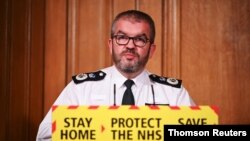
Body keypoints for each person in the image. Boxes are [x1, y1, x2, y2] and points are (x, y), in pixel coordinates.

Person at [36, 10, 195, 140]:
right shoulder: (81, 89)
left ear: (151, 50)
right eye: (122, 38)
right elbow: (45, 136)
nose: (130, 45)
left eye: (140, 39)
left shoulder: (175, 93)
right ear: (111, 45)